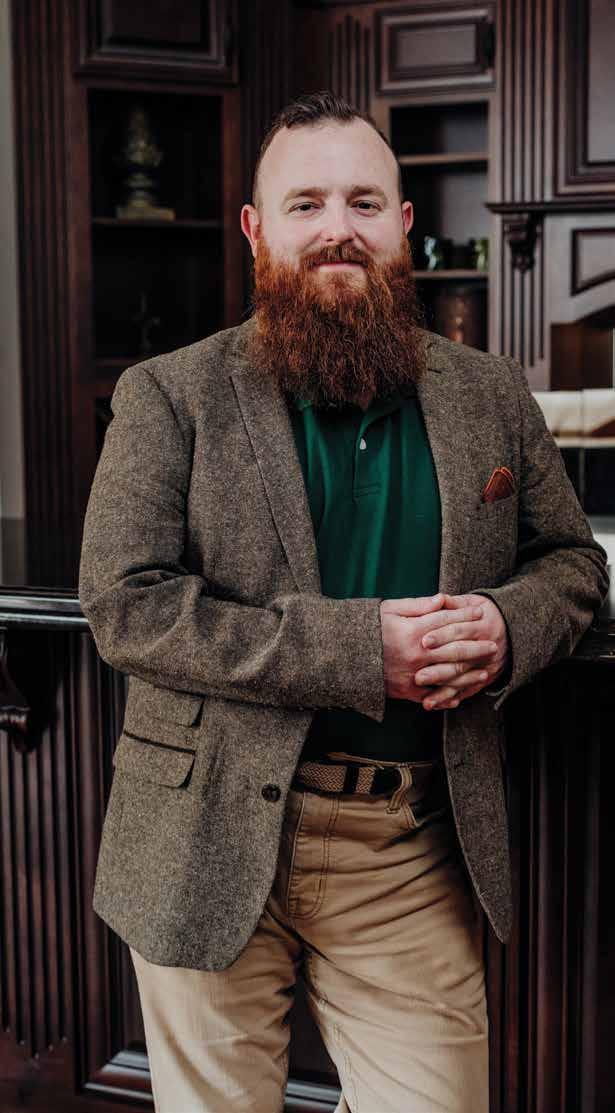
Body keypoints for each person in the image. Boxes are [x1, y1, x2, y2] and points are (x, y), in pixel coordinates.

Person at [78, 91, 609, 1113]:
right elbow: (126, 603)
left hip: (408, 847)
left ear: (402, 225)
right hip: (202, 833)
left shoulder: (491, 392)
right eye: (306, 203)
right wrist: (363, 651)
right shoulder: (168, 394)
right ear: (256, 230)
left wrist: (509, 625)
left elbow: (573, 565)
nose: (338, 229)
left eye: (364, 203)